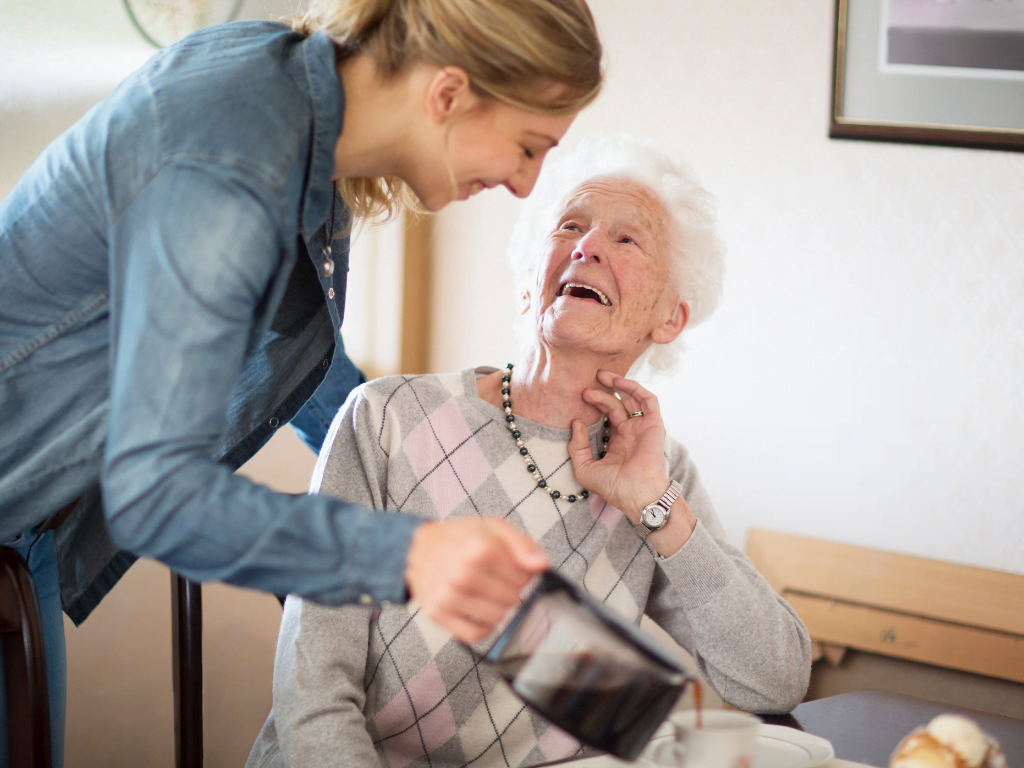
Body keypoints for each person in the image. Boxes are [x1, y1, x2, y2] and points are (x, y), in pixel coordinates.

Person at [0, 0, 602, 762]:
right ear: (448, 93)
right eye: (528, 146)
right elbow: (155, 494)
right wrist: (409, 554)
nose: (527, 185)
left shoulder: (301, 121)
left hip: (32, 530)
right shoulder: (232, 158)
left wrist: (426, 497)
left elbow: (308, 370)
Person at [249, 135, 813, 768]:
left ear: (669, 319)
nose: (587, 245)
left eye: (627, 240)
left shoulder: (658, 473)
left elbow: (776, 679)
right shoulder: (387, 417)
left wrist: (658, 507)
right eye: (570, 225)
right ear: (528, 282)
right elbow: (313, 695)